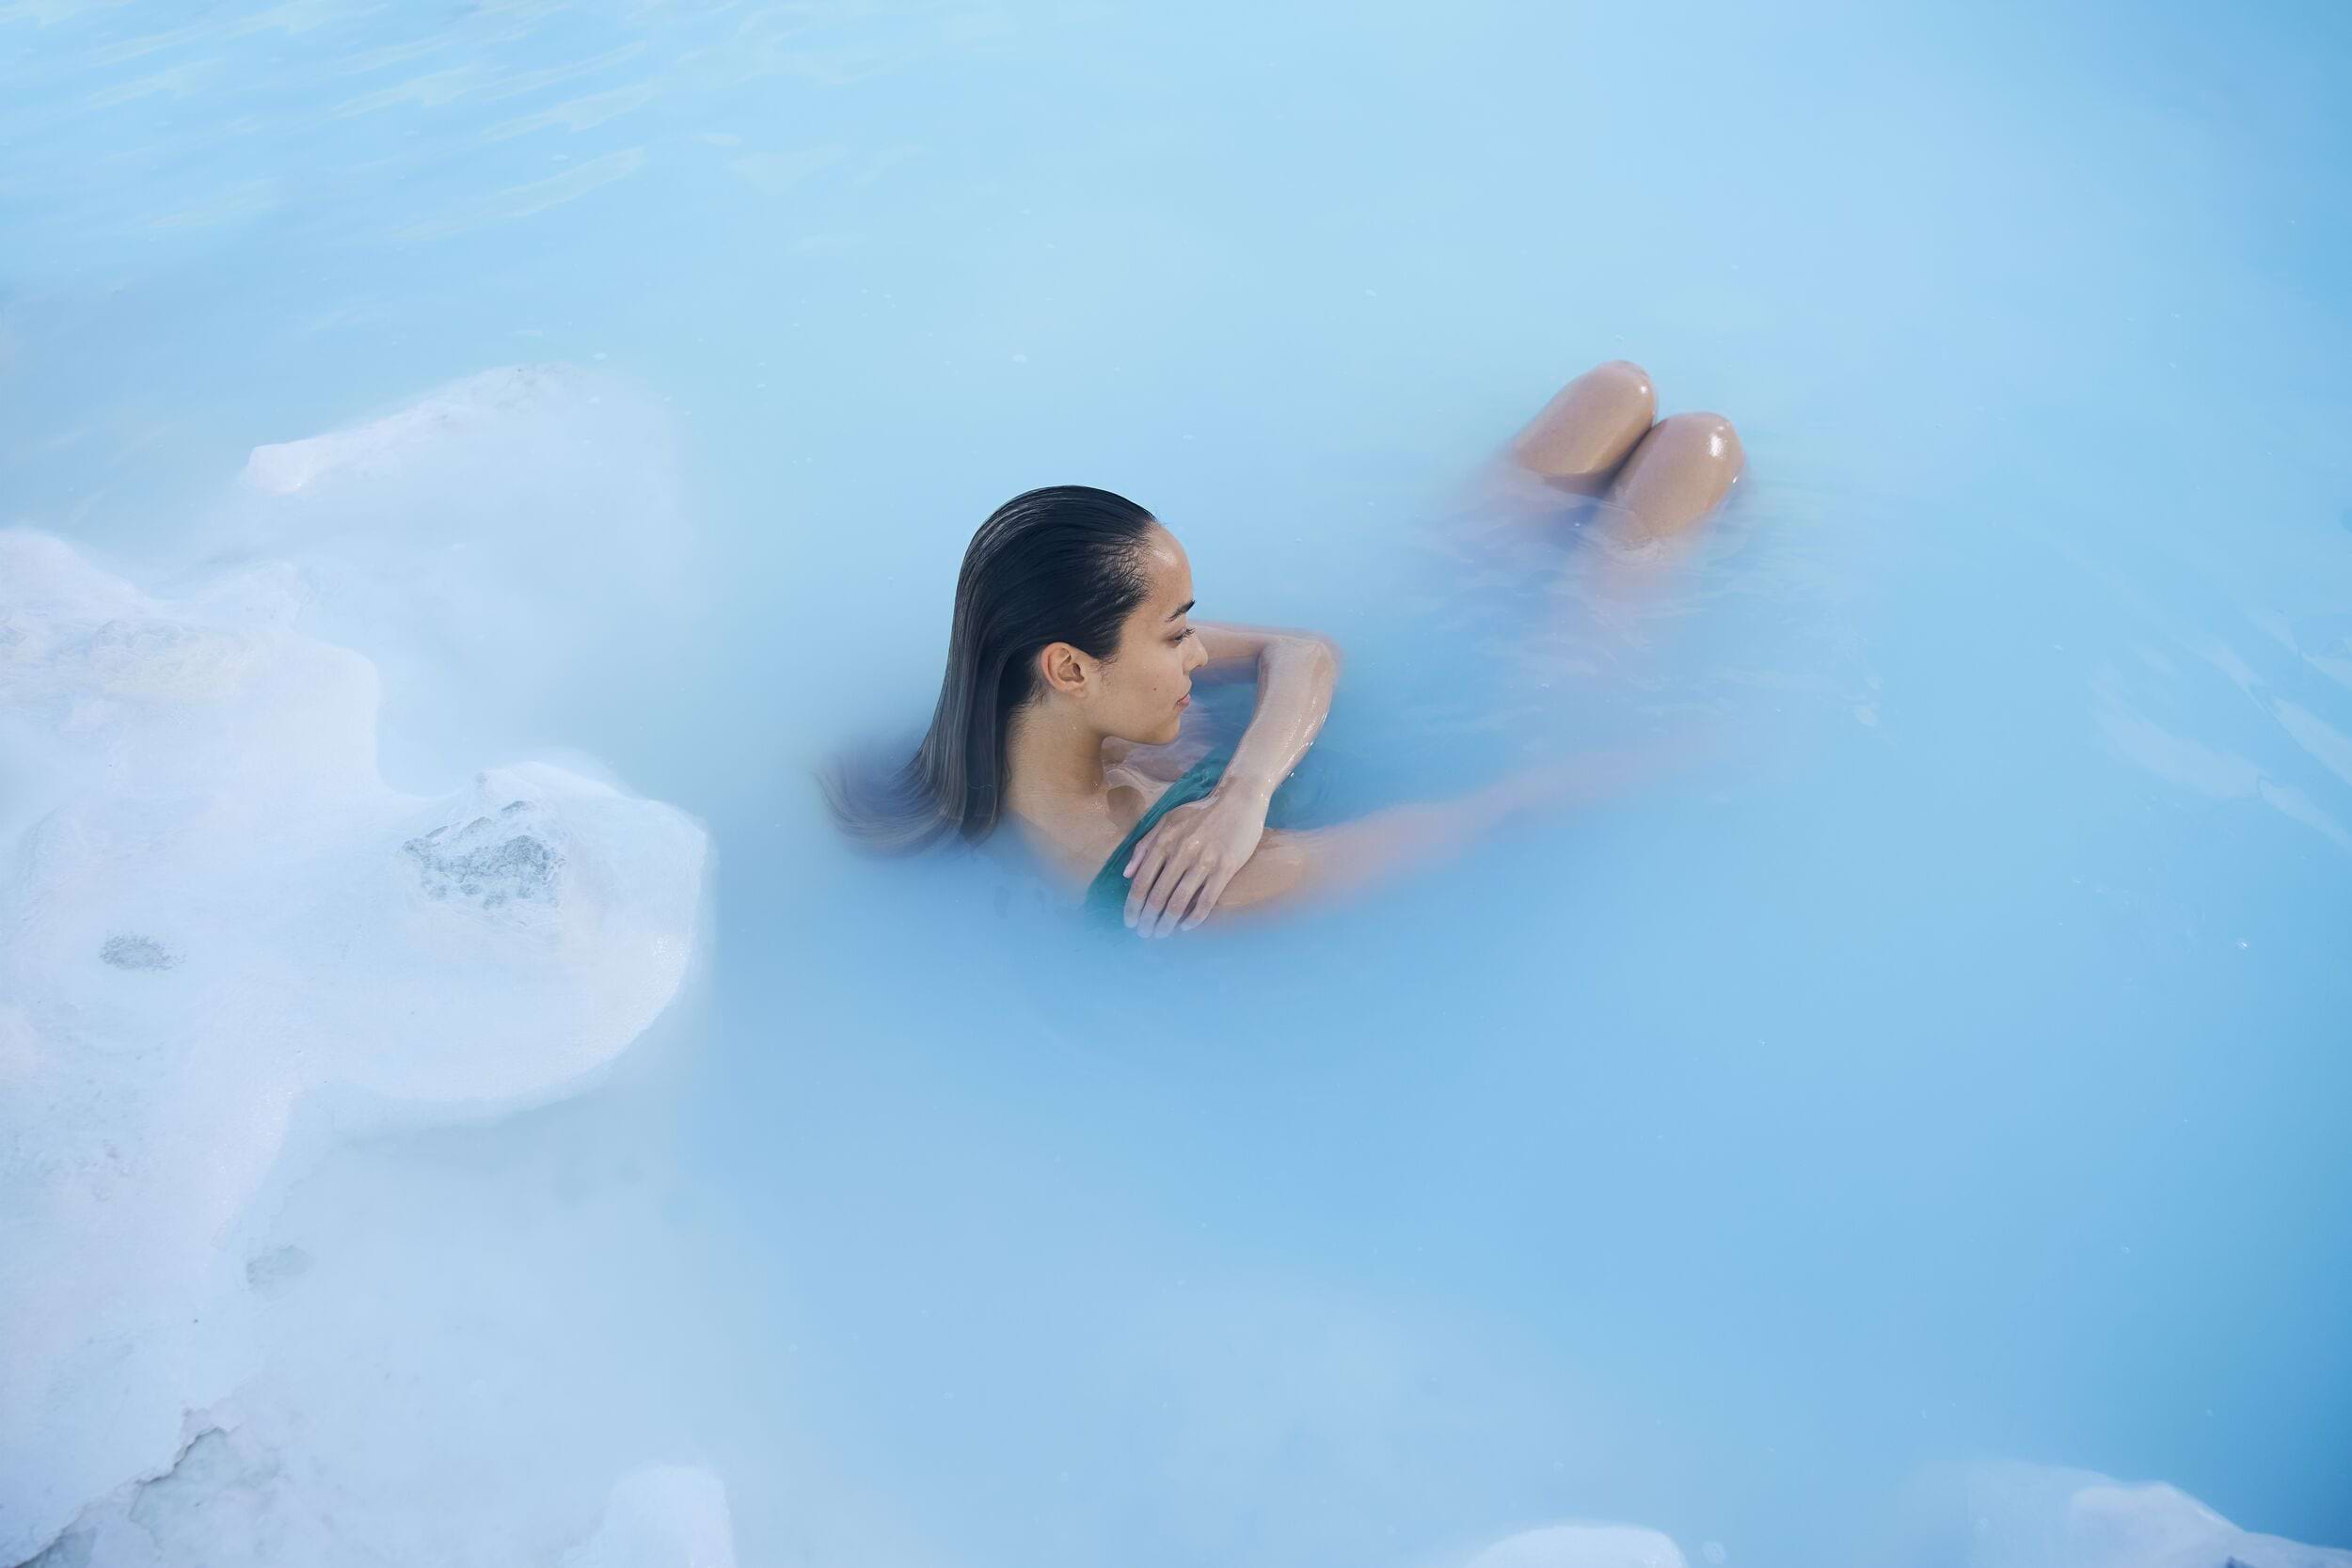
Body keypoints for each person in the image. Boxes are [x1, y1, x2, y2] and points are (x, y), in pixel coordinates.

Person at [825, 360, 1742, 935]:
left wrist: (1243, 788)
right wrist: (1705, 755)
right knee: (1701, 446)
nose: (1193, 655)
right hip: (1511, 710)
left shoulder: (1008, 708)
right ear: (1069, 664)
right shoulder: (1187, 883)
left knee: (1612, 393)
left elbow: (1302, 648)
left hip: (1408, 666)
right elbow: (1488, 820)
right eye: (1174, 630)